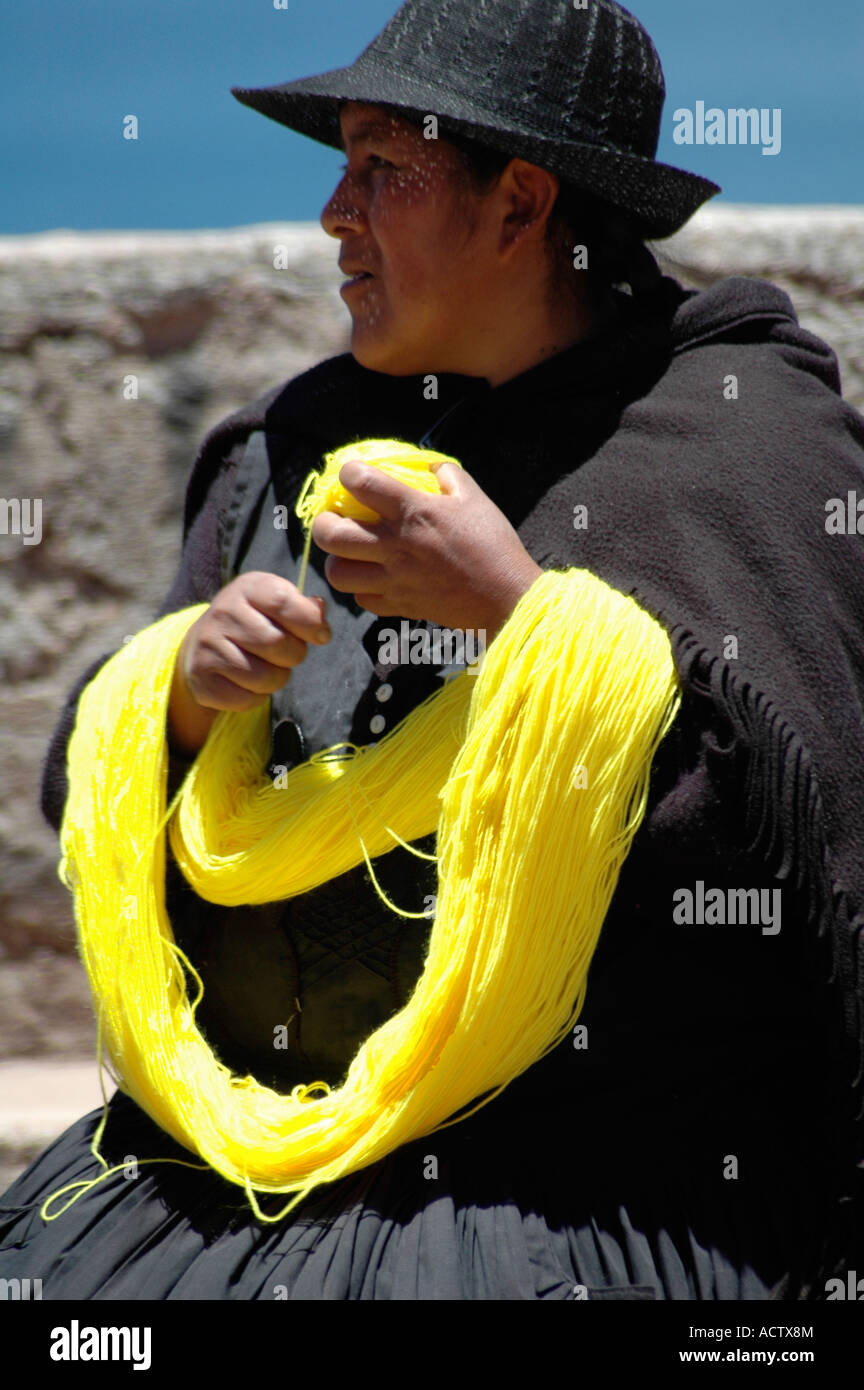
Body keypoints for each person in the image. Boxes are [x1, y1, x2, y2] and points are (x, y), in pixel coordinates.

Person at [2, 0, 863, 1301]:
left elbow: (809, 885)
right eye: (338, 168)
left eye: (381, 169)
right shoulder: (288, 453)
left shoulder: (747, 458)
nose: (335, 214)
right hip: (222, 1174)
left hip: (582, 1191)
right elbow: (86, 795)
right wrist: (177, 697)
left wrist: (530, 627)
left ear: (520, 202)